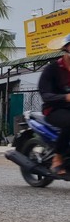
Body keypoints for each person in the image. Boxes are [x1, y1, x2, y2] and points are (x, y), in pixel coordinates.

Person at [39, 33, 70, 175]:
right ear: (66, 49)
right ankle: (57, 157)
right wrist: (65, 97)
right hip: (53, 110)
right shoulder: (52, 69)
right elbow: (45, 95)